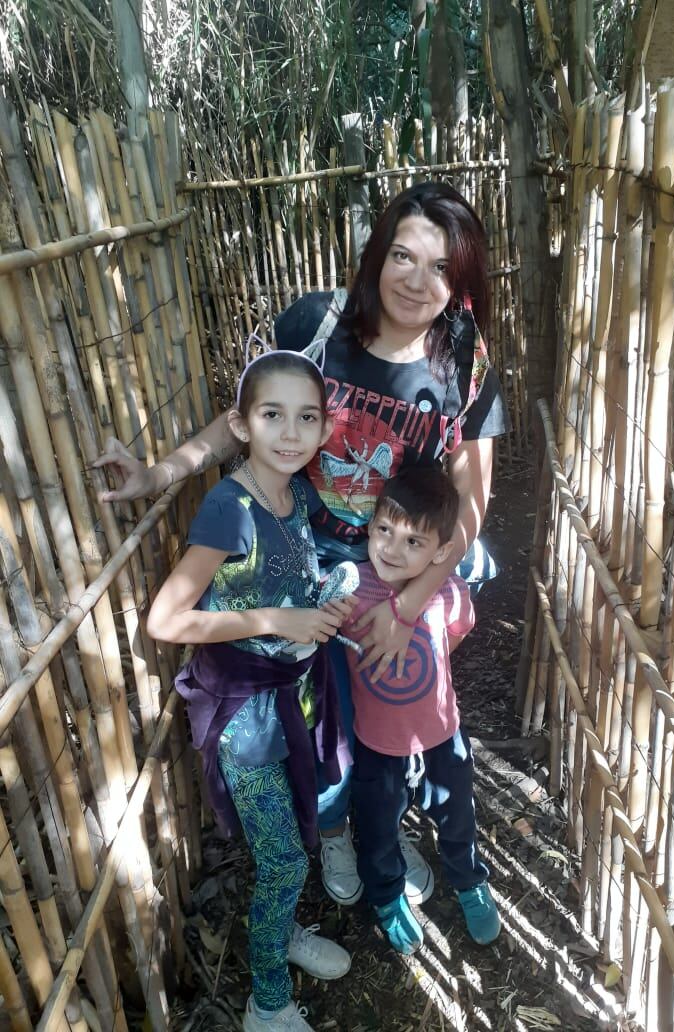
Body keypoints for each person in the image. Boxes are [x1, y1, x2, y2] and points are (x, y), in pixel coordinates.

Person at [96, 181, 510, 910]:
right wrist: (159, 473)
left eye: (441, 268)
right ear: (377, 254)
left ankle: (382, 820)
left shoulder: (464, 364)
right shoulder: (318, 325)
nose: (417, 280)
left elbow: (471, 502)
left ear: (463, 280)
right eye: (403, 256)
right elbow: (244, 423)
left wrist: (411, 605)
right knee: (333, 719)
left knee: (399, 697)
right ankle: (340, 826)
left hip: (400, 563)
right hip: (306, 556)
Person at [146, 350, 355, 1032]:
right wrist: (275, 620)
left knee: (290, 838)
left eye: (306, 418)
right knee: (286, 855)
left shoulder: (295, 494)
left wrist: (323, 602)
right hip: (244, 715)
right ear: (240, 424)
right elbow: (167, 620)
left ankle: (283, 926)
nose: (290, 433)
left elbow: (292, 579)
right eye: (272, 416)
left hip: (288, 696)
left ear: (326, 428)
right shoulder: (227, 508)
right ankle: (265, 1000)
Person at [340, 466, 500, 955]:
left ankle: (469, 880)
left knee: (457, 815)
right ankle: (387, 897)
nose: (392, 548)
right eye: (385, 530)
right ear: (370, 525)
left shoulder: (445, 590)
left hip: (441, 735)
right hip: (376, 742)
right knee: (378, 827)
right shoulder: (349, 591)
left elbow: (458, 630)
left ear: (442, 552)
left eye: (414, 542)